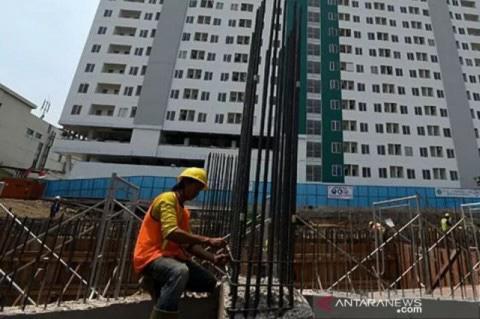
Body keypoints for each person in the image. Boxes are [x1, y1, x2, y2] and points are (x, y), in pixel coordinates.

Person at [133, 167, 229, 319]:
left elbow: (187, 244)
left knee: (209, 282)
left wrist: (213, 258)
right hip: (151, 257)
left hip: (172, 258)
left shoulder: (183, 211)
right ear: (186, 183)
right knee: (179, 272)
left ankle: (157, 282)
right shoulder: (167, 199)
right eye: (196, 188)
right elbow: (171, 232)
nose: (197, 193)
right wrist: (208, 240)